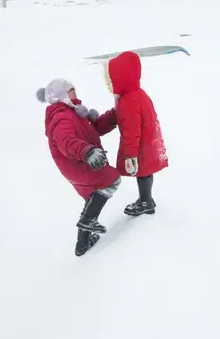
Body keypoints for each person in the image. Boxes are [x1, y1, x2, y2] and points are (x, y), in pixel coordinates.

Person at [36, 78, 122, 256]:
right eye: (70, 90)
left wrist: (115, 115)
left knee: (92, 198)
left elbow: (95, 128)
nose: (75, 92)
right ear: (61, 95)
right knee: (112, 179)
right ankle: (87, 221)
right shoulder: (61, 116)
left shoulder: (74, 112)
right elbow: (66, 142)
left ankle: (82, 243)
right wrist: (87, 152)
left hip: (79, 163)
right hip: (78, 164)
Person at [103, 51, 168, 216]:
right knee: (146, 172)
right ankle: (147, 199)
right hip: (148, 141)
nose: (109, 85)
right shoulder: (137, 94)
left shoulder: (128, 102)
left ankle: (146, 202)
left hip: (140, 146)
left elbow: (131, 131)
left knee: (143, 172)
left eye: (110, 80)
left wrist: (130, 157)